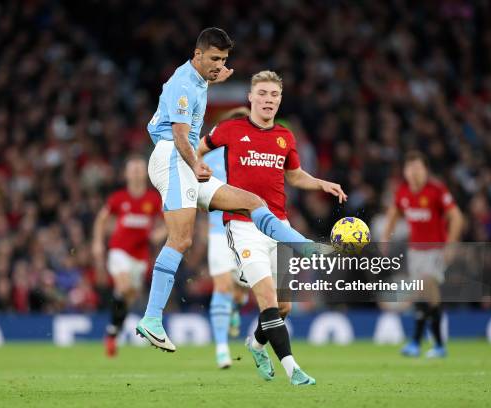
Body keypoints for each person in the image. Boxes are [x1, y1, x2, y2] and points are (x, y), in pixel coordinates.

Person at [137, 28, 331, 353]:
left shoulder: (195, 79)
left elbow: (194, 95)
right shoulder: (185, 84)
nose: (219, 64)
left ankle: (304, 246)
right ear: (196, 55)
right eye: (213, 59)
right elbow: (181, 134)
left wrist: (213, 77)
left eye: (224, 59)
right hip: (173, 157)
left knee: (250, 202)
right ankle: (152, 319)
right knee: (181, 238)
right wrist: (195, 163)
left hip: (177, 159)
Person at [197, 70, 347, 385]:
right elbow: (197, 149)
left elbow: (294, 175)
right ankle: (293, 369)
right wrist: (197, 165)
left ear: (279, 100)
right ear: (251, 98)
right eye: (262, 94)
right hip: (242, 224)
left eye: (274, 95)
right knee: (266, 298)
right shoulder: (230, 129)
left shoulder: (285, 137)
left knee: (283, 306)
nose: (268, 100)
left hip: (279, 225)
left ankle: (255, 344)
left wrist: (321, 183)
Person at [382, 150, 463, 358]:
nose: (414, 172)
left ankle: (437, 344)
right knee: (420, 294)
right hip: (415, 252)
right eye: (410, 168)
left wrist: (451, 244)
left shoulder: (437, 190)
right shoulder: (403, 193)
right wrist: (385, 238)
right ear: (405, 172)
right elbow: (393, 212)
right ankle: (419, 343)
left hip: (435, 250)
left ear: (426, 170)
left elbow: (457, 217)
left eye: (418, 168)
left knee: (428, 285)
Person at [92, 155, 164, 357]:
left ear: (146, 173)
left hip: (140, 256)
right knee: (123, 287)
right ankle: (113, 329)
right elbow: (101, 219)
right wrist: (97, 243)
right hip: (119, 250)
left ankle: (112, 332)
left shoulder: (153, 199)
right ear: (126, 174)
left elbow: (168, 222)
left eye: (140, 169)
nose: (136, 172)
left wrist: (159, 234)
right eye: (133, 169)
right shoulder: (118, 198)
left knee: (127, 296)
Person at [203, 107, 251, 369]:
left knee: (241, 289)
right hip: (218, 230)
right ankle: (221, 348)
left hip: (247, 231)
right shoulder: (210, 157)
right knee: (222, 286)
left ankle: (235, 307)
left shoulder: (254, 158)